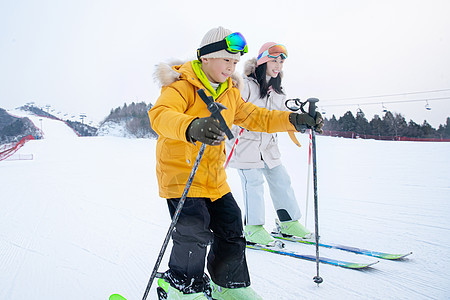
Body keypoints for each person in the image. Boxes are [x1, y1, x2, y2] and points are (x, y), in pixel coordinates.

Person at [148, 27, 323, 299]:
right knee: (194, 230)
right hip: (181, 175)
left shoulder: (231, 92)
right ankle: (181, 286)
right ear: (205, 58)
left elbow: (258, 117)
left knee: (231, 227)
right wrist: (191, 126)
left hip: (214, 178)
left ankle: (228, 285)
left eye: (234, 62)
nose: (231, 67)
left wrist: (293, 120)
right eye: (225, 60)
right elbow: (160, 116)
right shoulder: (181, 85)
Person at [226, 42, 322, 247]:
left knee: (281, 179)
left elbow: (279, 118)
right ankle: (253, 228)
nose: (278, 66)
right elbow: (234, 111)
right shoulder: (246, 84)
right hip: (244, 144)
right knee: (253, 184)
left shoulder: (278, 92)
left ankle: (287, 223)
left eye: (281, 62)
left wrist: (301, 122)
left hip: (268, 146)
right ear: (262, 61)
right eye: (273, 61)